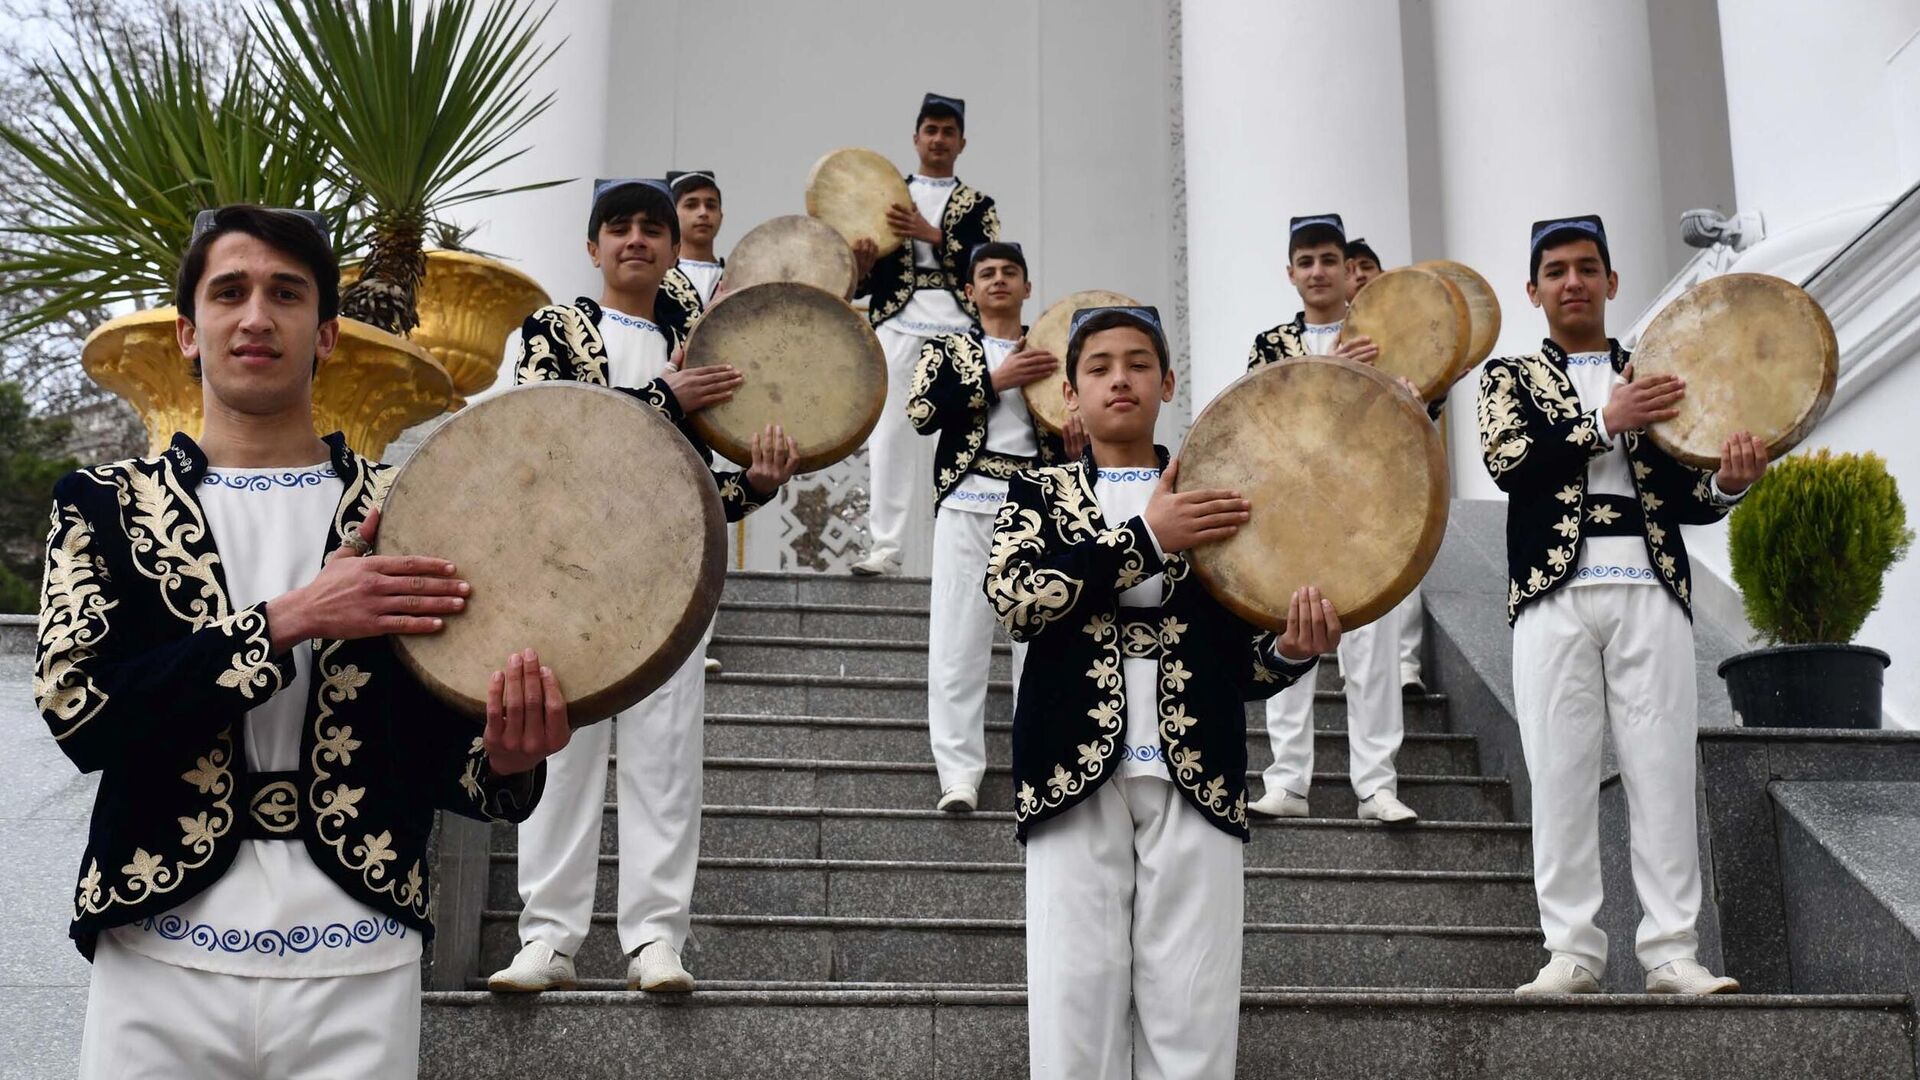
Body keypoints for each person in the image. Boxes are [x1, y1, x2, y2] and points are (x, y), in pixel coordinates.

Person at [39, 204, 571, 1078]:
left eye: (286, 294)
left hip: (360, 954)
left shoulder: (417, 508)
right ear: (186, 330)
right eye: (230, 292)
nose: (256, 316)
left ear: (326, 335)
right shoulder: (102, 504)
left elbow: (450, 757)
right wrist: (289, 620)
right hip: (154, 949)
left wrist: (511, 760)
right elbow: (80, 714)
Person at [986, 303, 1337, 1079]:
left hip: (1200, 766)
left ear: (1169, 382)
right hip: (1067, 767)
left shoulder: (1223, 497)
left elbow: (1241, 665)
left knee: (1194, 1002)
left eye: (1139, 363)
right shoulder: (1035, 496)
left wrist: (1288, 651)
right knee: (1075, 1000)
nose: (1121, 379)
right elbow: (1016, 599)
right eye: (1100, 366)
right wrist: (1146, 540)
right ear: (1069, 395)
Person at [486, 178, 799, 995]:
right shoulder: (551, 329)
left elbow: (703, 484)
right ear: (593, 247)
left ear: (671, 250)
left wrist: (757, 487)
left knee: (667, 759)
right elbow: (543, 435)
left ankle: (656, 938)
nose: (636, 240)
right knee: (564, 750)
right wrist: (666, 396)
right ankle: (548, 939)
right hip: (564, 576)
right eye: (618, 227)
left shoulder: (699, 345)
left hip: (669, 576)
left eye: (652, 229)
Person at [1480, 214, 1766, 996]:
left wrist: (1731, 482)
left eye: (1586, 267)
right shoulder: (1508, 378)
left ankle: (1672, 951)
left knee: (1662, 767)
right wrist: (1606, 419)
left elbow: (1688, 497)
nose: (1572, 282)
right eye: (1556, 271)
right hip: (1551, 591)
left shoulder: (1662, 369)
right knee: (1561, 770)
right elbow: (1511, 462)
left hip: (1651, 581)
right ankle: (1572, 949)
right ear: (1533, 291)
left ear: (1612, 282)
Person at [1244, 213, 1418, 825]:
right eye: (1306, 261)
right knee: (1289, 640)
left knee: (1372, 649)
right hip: (1292, 519)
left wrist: (1379, 382)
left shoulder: (1384, 337)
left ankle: (1377, 785)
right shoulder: (1269, 346)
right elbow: (1257, 430)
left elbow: (1411, 430)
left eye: (1329, 259)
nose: (1318, 271)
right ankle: (1287, 781)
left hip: (1369, 515)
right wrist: (1330, 378)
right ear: (1290, 273)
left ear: (1351, 271)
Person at [905, 240, 1078, 812]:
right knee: (959, 639)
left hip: (1037, 504)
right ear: (971, 290)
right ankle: (958, 772)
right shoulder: (948, 349)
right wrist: (995, 380)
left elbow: (1075, 420)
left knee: (1039, 640)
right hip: (967, 499)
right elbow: (922, 413)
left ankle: (1038, 761)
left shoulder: (1055, 349)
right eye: (987, 273)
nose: (999, 280)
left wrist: (1078, 446)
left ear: (1028, 288)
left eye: (1010, 272)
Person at [848, 91, 999, 576]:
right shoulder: (889, 198)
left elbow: (992, 263)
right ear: (916, 139)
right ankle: (886, 547)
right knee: (889, 433)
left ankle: (955, 551)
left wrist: (933, 235)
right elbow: (864, 280)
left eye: (947, 131)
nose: (938, 139)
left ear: (962, 142)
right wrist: (863, 264)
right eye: (930, 130)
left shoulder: (978, 204)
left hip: (959, 328)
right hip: (896, 320)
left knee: (958, 435)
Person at [665, 169, 725, 308]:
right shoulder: (656, 279)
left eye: (710, 206)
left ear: (721, 216)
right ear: (672, 216)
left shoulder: (737, 279)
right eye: (691, 205)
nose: (703, 213)